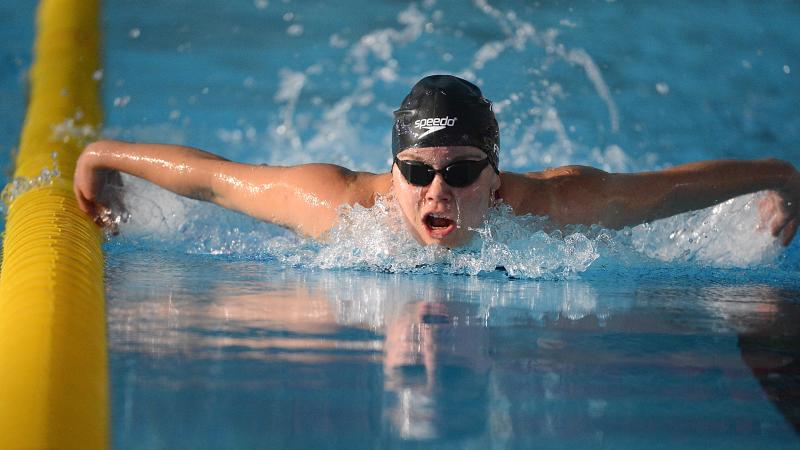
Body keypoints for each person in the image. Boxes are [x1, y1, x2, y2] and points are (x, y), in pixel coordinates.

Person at [73, 75, 800, 247]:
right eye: (418, 171)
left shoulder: (553, 207)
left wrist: (780, 175)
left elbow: (670, 189)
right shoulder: (338, 206)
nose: (436, 190)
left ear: (496, 175)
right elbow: (212, 178)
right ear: (392, 171)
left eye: (460, 171)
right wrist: (102, 155)